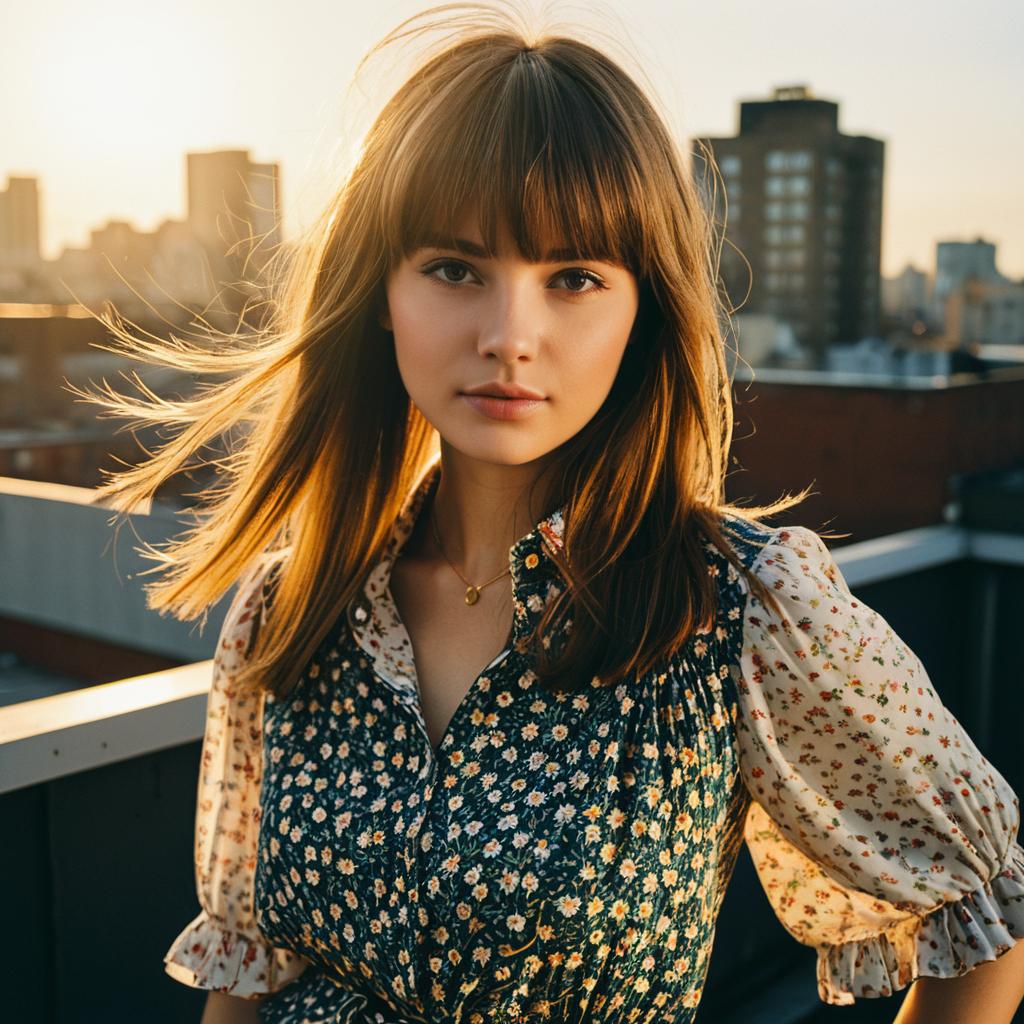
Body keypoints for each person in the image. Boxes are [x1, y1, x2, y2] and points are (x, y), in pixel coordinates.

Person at [76, 3, 1024, 1022]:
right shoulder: (289, 604)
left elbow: (978, 914)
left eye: (572, 276)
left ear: (641, 309)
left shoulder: (741, 610)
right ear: (380, 290)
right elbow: (247, 976)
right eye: (454, 269)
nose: (508, 335)